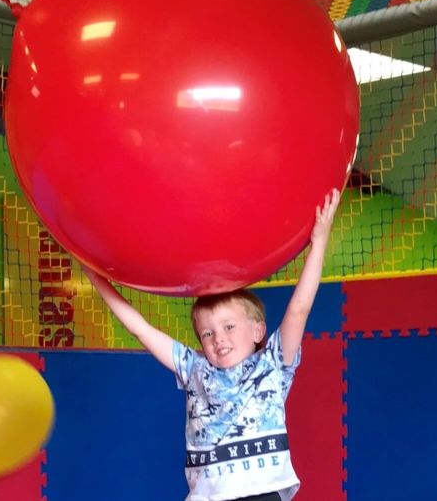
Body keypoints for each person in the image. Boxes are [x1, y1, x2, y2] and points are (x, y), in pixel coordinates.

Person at [82, 188, 342, 501]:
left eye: (229, 327)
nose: (219, 338)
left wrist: (320, 240)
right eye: (207, 333)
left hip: (259, 492)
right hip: (207, 495)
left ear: (258, 330)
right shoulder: (194, 368)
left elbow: (299, 308)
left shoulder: (273, 362)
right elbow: (140, 329)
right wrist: (97, 279)